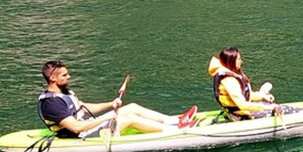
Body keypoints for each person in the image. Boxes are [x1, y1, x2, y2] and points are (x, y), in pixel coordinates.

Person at [38, 61, 199, 139]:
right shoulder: (51, 103)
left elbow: (83, 108)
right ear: (52, 78)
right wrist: (108, 117)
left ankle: (175, 121)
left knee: (132, 107)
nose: (69, 77)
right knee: (129, 118)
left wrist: (110, 104)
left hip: (88, 127)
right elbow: (76, 128)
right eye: (64, 75)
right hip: (82, 135)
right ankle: (177, 132)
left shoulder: (64, 92)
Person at [209, 47, 300, 120]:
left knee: (282, 107)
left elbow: (247, 95)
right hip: (240, 115)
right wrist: (268, 107)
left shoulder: (232, 75)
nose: (241, 61)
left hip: (238, 111)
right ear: (231, 62)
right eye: (239, 59)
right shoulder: (229, 80)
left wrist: (262, 96)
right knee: (284, 109)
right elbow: (242, 105)